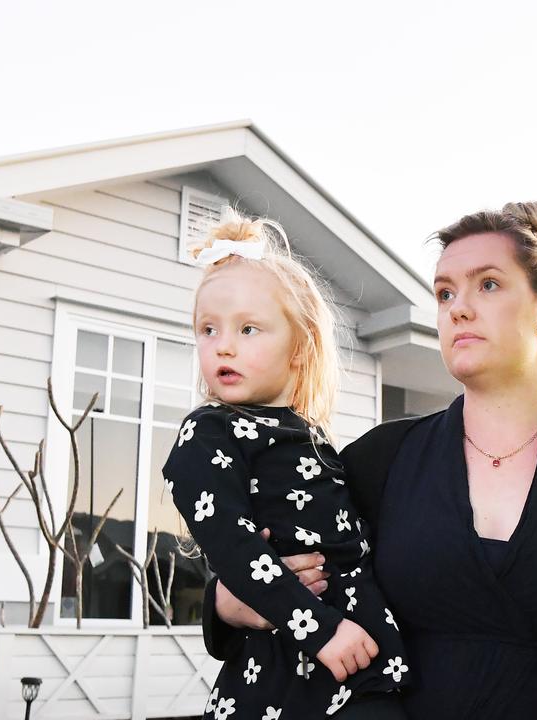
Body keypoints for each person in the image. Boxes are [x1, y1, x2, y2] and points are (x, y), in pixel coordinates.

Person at [205, 202, 537, 719]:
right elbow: (284, 561)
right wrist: (225, 605)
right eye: (445, 292)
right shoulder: (380, 460)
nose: (458, 308)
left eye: (488, 285)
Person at [163, 208, 408, 720]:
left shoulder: (309, 435)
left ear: (300, 347)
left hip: (360, 661)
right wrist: (321, 630)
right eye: (208, 329)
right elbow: (234, 549)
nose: (222, 344)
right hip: (286, 673)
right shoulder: (210, 429)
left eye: (248, 328)